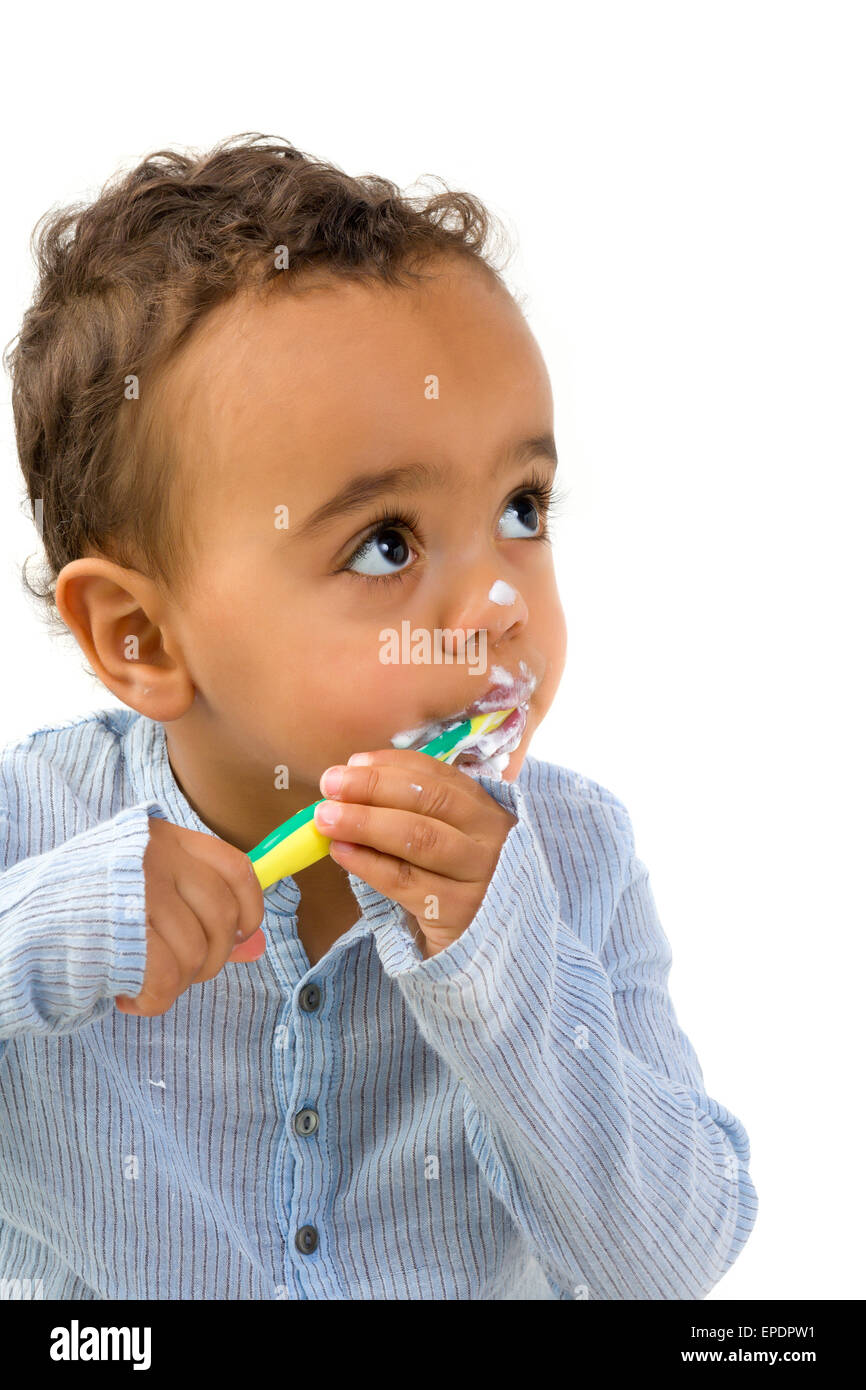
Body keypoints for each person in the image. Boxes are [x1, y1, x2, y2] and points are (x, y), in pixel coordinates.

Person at [0, 133, 757, 1299]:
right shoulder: (31, 824)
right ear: (140, 638)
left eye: (520, 508)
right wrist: (59, 926)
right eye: (386, 543)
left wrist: (499, 960)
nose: (499, 606)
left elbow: (667, 1262)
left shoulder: (574, 853)